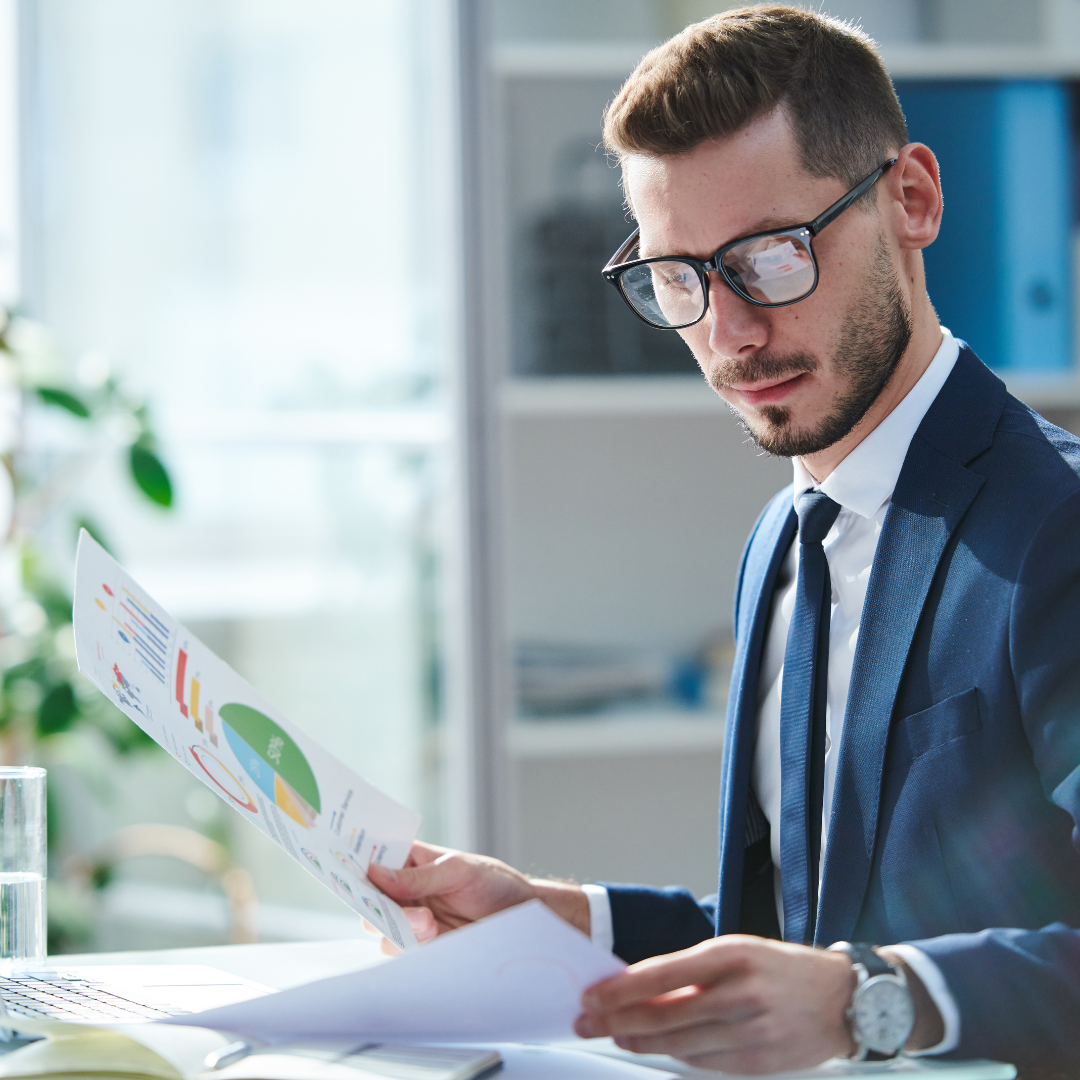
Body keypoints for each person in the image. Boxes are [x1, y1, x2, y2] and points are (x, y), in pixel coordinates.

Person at [369, 6, 1080, 1075]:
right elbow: (804, 938)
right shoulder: (782, 544)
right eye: (679, 276)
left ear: (912, 200)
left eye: (770, 256)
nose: (729, 332)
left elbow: (845, 987)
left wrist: (868, 1003)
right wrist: (565, 920)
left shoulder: (1058, 527)